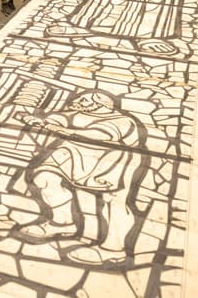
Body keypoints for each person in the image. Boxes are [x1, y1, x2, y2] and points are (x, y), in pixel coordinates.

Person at [14, 91, 144, 265]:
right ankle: (63, 222)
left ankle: (113, 248)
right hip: (75, 151)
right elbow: (60, 118)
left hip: (111, 160)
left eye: (84, 100)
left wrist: (59, 129)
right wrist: (42, 121)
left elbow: (98, 135)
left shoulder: (123, 121)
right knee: (44, 176)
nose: (77, 101)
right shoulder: (82, 113)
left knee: (114, 201)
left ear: (100, 105)